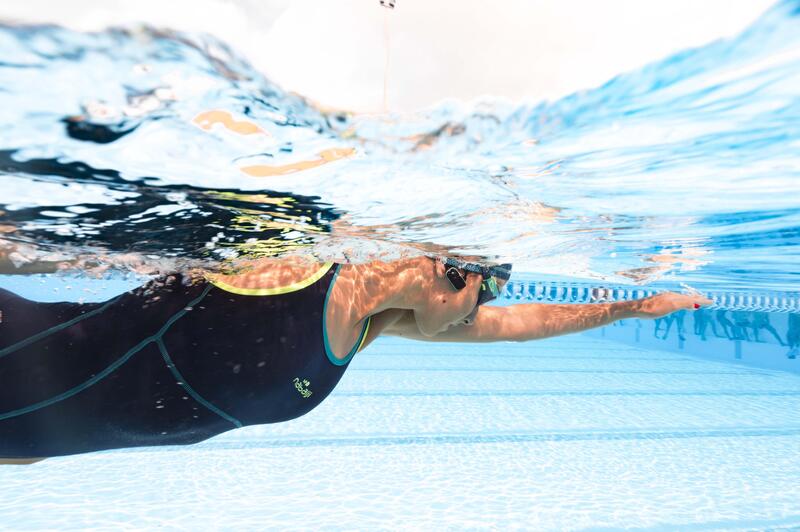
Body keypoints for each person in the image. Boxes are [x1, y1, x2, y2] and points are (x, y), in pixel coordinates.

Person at [0, 255, 711, 463]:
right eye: (481, 291)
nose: (479, 312)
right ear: (441, 270)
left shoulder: (369, 326)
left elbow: (516, 327)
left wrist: (627, 308)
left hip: (25, 429)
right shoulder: (288, 268)